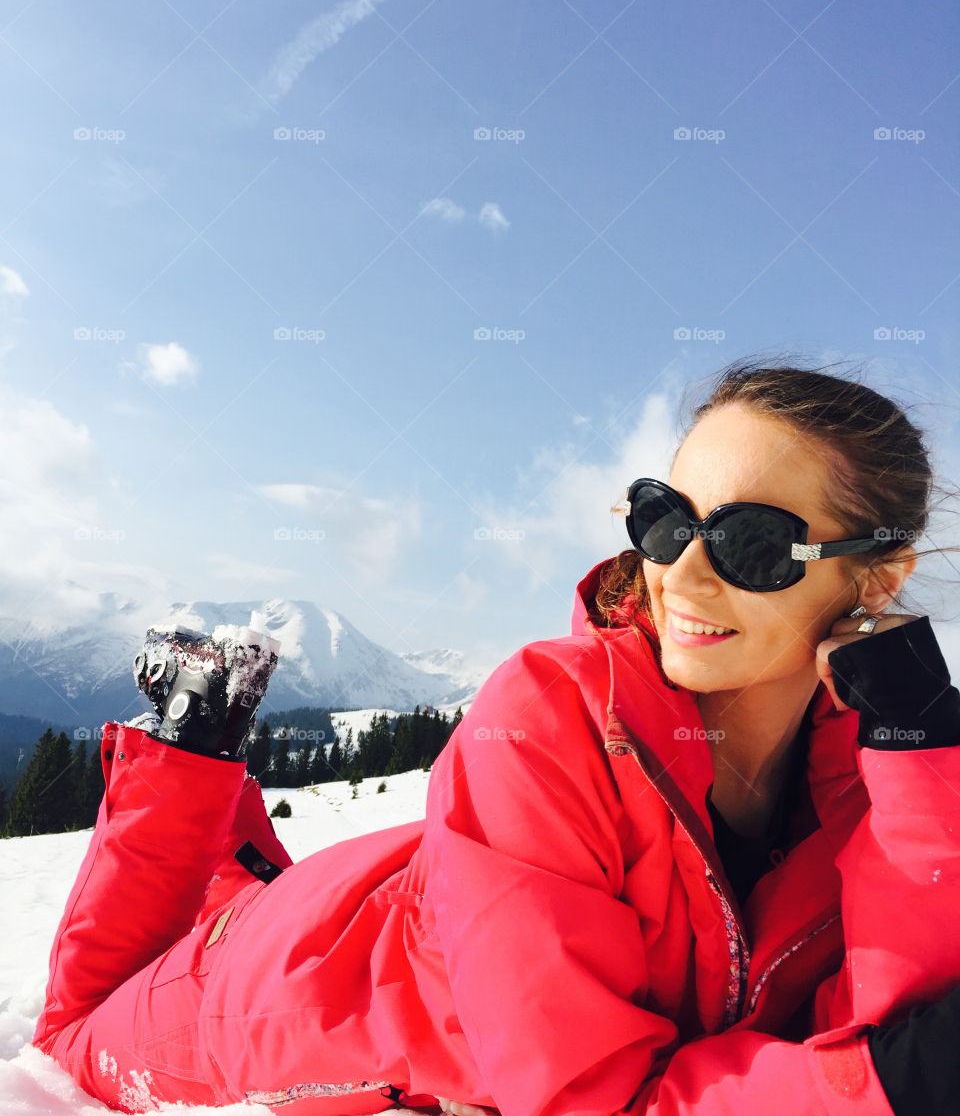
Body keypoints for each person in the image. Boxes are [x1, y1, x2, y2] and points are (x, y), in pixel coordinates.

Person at [30, 357, 960, 1116]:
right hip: (272, 1004)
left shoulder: (872, 762)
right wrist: (882, 1084)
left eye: (754, 543)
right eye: (664, 520)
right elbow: (591, 1103)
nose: (683, 571)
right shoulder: (544, 714)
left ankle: (224, 808)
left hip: (388, 917)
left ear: (877, 579)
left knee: (253, 892)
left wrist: (920, 753)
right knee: (74, 1031)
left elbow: (886, 1034)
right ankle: (192, 750)